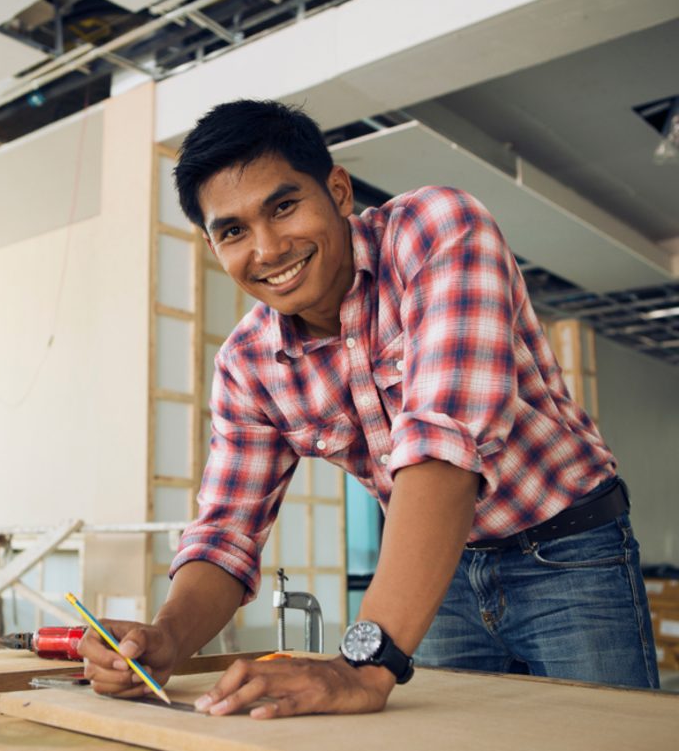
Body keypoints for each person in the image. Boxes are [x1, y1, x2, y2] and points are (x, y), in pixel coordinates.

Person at [79, 99, 660, 718]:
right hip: (442, 577)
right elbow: (226, 531)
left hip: (568, 553)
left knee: (609, 733)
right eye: (233, 231)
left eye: (283, 207)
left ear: (337, 190)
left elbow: (443, 447)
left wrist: (363, 664)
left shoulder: (438, 227)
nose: (268, 248)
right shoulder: (248, 363)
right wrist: (168, 638)